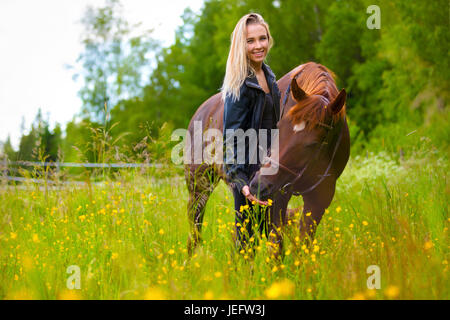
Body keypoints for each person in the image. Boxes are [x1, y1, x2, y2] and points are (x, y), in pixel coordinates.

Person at [222, 13, 281, 248]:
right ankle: (243, 284)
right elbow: (231, 136)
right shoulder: (239, 83)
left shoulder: (269, 76)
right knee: (247, 245)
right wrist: (239, 179)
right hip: (250, 175)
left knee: (273, 239)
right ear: (241, 45)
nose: (258, 46)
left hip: (271, 170)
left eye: (262, 38)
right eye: (250, 41)